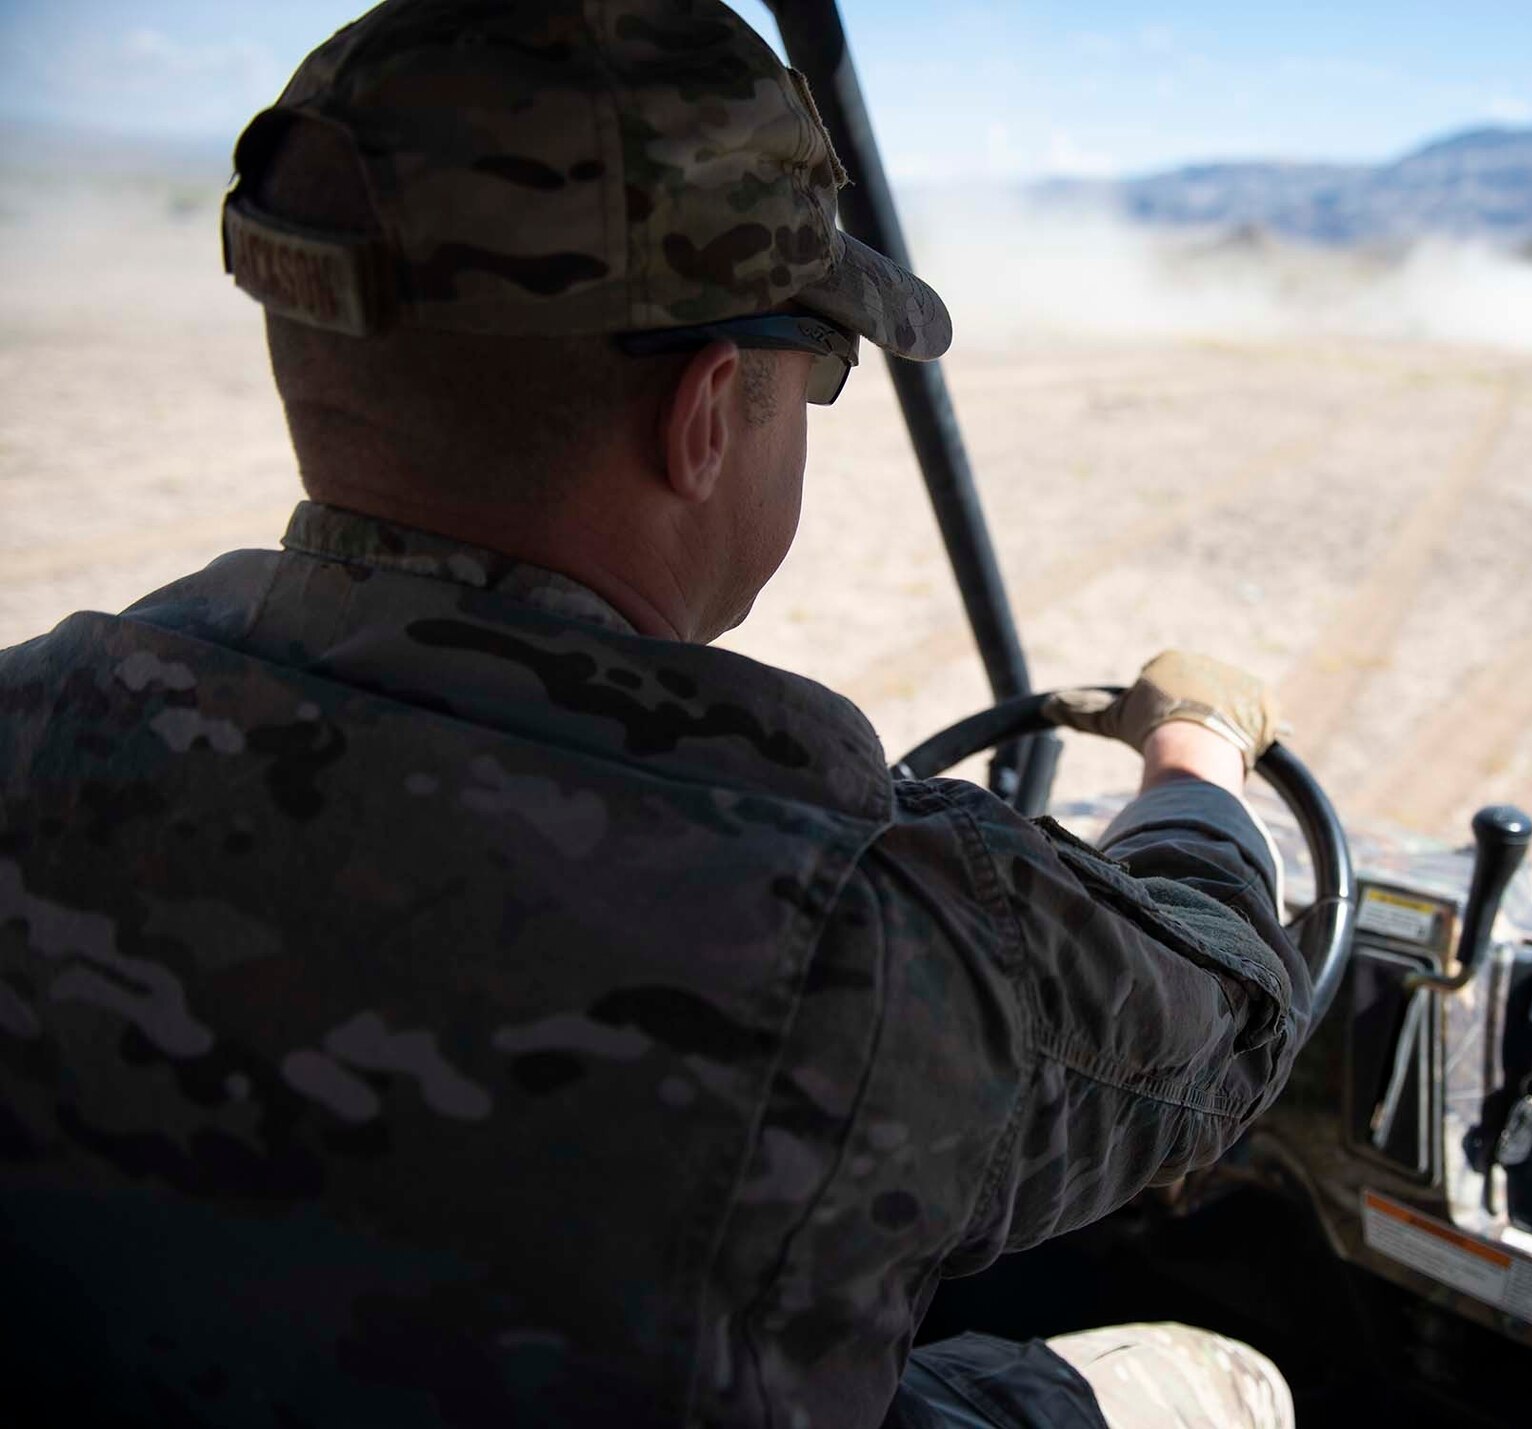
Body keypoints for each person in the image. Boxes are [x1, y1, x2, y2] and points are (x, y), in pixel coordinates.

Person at [0, 3, 1306, 1425]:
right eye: (821, 368)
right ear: (702, 413)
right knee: (1221, 1378)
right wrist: (1196, 755)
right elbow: (1228, 1015)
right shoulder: (871, 932)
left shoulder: (33, 723)